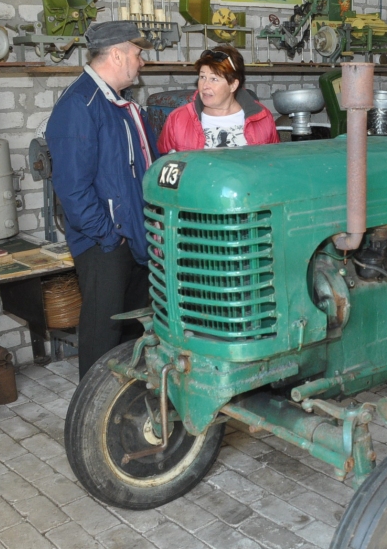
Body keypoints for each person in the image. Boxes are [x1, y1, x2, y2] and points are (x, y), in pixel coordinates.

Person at [45, 21, 158, 378]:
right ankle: (93, 415)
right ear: (117, 53)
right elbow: (72, 188)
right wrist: (110, 236)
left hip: (134, 239)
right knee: (102, 334)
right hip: (105, 244)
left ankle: (127, 405)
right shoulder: (80, 104)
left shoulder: (121, 106)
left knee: (133, 329)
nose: (141, 62)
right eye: (138, 54)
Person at [158, 45, 279, 152]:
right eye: (202, 77)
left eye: (214, 79)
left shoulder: (262, 117)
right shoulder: (178, 120)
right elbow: (163, 167)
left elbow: (273, 165)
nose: (205, 85)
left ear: (233, 85)